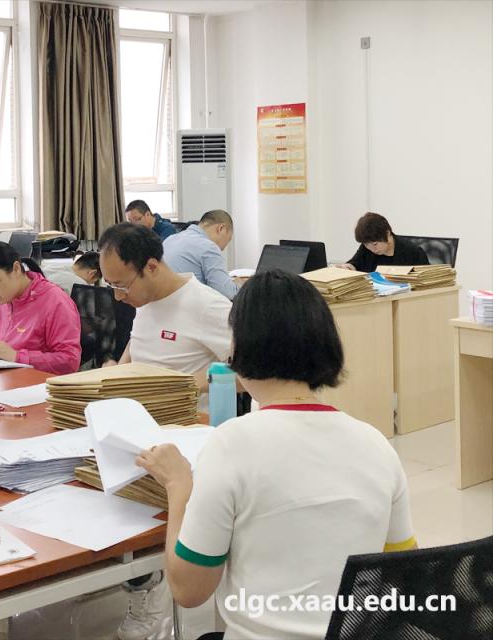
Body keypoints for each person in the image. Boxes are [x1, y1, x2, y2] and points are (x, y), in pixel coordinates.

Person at [136, 270, 415, 639]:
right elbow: (403, 574)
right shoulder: (376, 444)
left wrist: (178, 485)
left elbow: (189, 591)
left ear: (241, 348)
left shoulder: (231, 445)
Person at [98, 222, 232, 640]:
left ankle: (151, 587)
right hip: (134, 428)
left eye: (122, 285)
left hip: (184, 438)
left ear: (152, 267)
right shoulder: (144, 300)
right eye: (111, 286)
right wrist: (114, 374)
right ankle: (134, 576)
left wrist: (184, 385)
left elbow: (247, 369)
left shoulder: (207, 306)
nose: (118, 296)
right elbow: (139, 345)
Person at [0, 242, 81, 375]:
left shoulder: (55, 301)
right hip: (8, 378)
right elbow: (4, 341)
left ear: (16, 269)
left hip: (41, 383)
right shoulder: (4, 298)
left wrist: (17, 357)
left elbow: (70, 361)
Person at [162, 209, 238, 300]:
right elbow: (227, 293)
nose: (223, 249)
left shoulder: (170, 239)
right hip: (187, 305)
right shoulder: (208, 246)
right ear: (221, 228)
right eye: (228, 239)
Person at [336, 211, 429, 272]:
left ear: (387, 234)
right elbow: (354, 264)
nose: (372, 249)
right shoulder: (366, 249)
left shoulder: (412, 252)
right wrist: (348, 268)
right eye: (367, 244)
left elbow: (427, 280)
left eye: (375, 244)